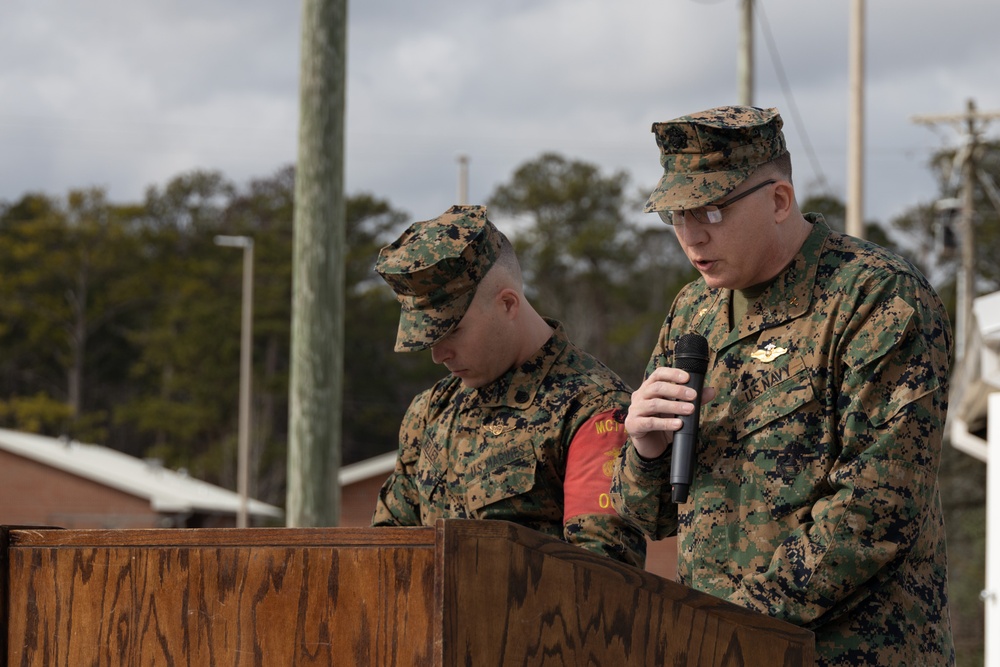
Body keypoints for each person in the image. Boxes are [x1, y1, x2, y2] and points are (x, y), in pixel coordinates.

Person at [610, 106, 955, 665]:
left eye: (712, 210)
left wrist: (729, 624)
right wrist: (646, 451)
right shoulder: (693, 312)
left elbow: (877, 507)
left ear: (778, 201)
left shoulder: (875, 299)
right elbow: (651, 517)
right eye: (675, 215)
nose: (691, 236)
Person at [372, 204, 646, 568]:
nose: (438, 355)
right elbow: (384, 555)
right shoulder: (431, 411)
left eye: (452, 331)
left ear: (507, 304)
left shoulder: (591, 408)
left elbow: (600, 580)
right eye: (428, 340)